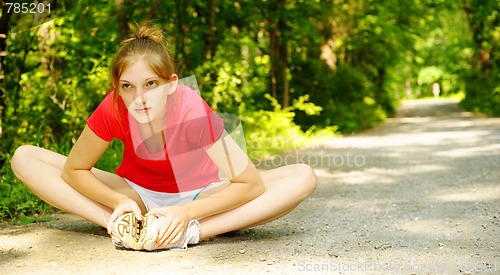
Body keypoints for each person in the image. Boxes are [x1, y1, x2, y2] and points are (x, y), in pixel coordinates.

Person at [10, 22, 317, 251]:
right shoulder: (114, 107)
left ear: (171, 83)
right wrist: (118, 202)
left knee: (303, 176)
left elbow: (249, 183)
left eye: (150, 84)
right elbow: (74, 170)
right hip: (136, 194)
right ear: (117, 87)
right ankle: (124, 228)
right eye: (127, 86)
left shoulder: (191, 108)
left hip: (199, 195)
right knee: (25, 157)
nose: (139, 97)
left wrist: (185, 213)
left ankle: (189, 232)